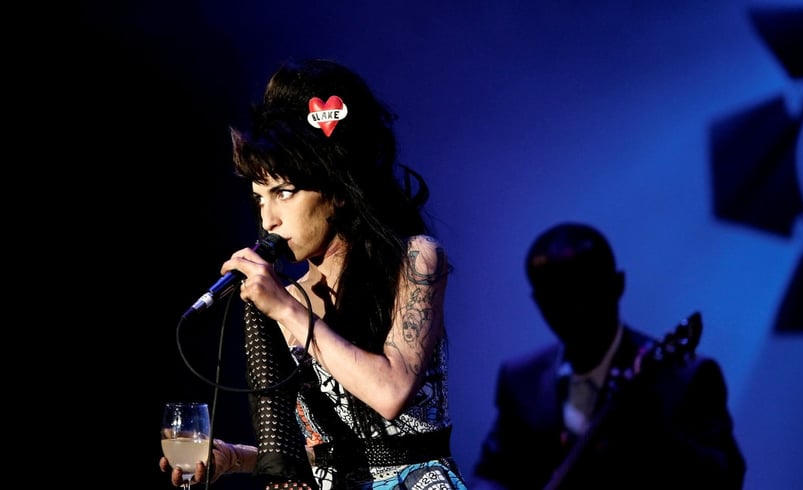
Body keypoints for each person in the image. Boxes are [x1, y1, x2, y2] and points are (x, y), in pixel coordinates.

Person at [160, 58, 469, 490]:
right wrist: (235, 458)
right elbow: (323, 451)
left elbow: (391, 392)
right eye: (259, 198)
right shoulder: (289, 298)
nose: (268, 219)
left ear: (337, 191)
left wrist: (286, 309)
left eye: (284, 193)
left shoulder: (416, 258)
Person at [471, 222, 746, 489]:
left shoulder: (684, 378)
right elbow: (492, 473)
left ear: (617, 285)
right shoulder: (522, 379)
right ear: (538, 302)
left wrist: (654, 432)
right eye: (554, 297)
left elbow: (723, 479)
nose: (572, 310)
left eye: (583, 292)